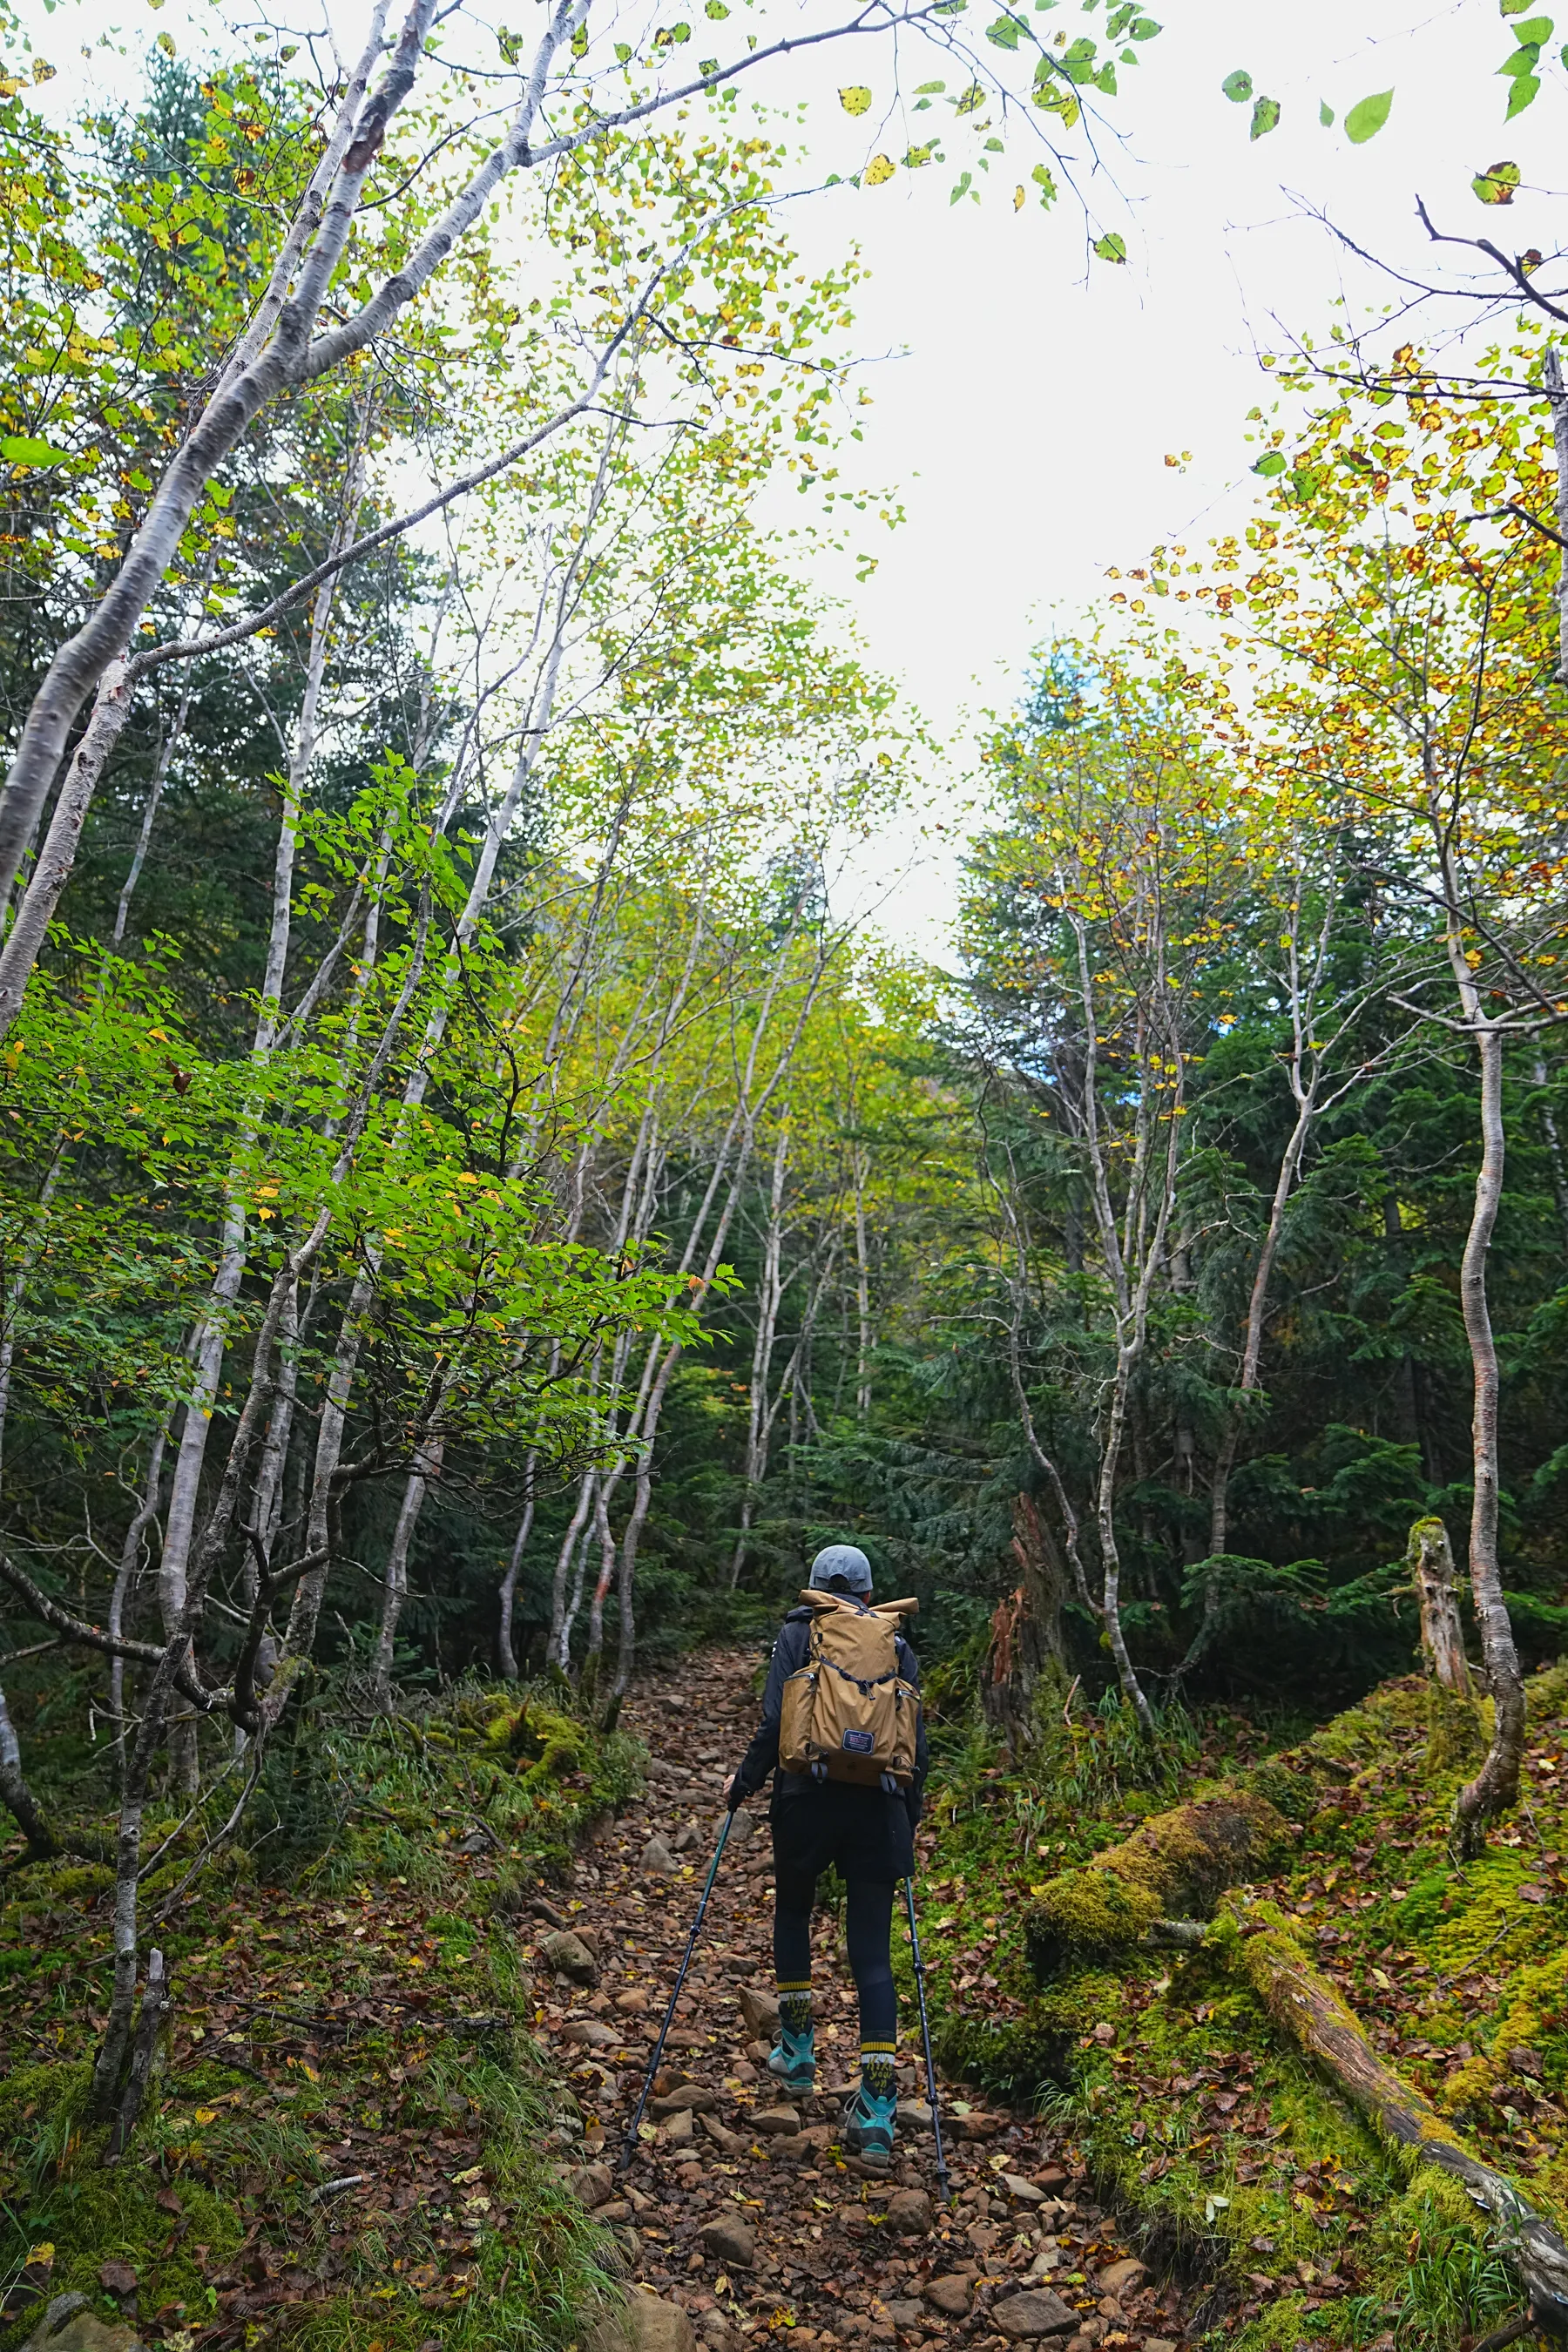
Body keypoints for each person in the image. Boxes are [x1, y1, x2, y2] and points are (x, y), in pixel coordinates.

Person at [726, 1542, 928, 2172]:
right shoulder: (896, 1645)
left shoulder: (800, 1635)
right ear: (869, 1593)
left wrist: (744, 1783)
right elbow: (917, 1745)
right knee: (871, 1953)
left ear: (812, 1586)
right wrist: (908, 1819)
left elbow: (771, 1722)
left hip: (806, 1800)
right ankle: (876, 2112)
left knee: (793, 1914)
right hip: (879, 1812)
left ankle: (798, 2052)